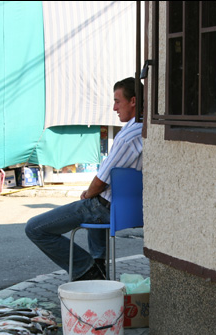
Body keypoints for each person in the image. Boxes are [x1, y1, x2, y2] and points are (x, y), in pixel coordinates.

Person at [25, 77, 143, 281]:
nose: (114, 108)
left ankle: (87, 270)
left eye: (117, 101)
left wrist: (88, 194)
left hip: (110, 208)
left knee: (35, 228)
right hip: (131, 207)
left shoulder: (127, 137)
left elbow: (100, 182)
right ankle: (98, 263)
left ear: (133, 101)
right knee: (93, 202)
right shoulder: (147, 128)